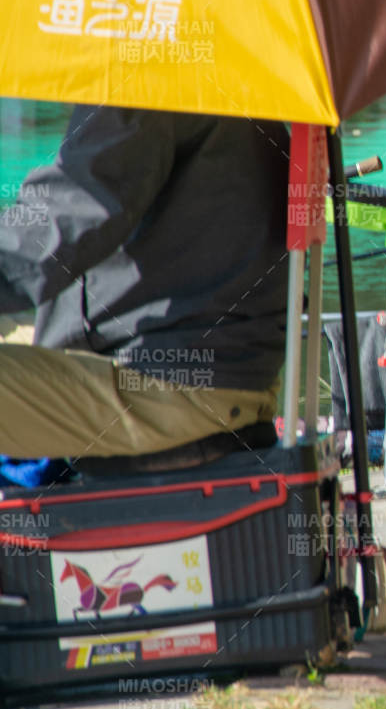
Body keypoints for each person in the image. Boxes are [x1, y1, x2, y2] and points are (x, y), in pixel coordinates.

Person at [0, 108, 289, 460]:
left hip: (176, 384)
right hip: (223, 366)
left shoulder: (146, 66)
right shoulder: (221, 66)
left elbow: (62, 218)